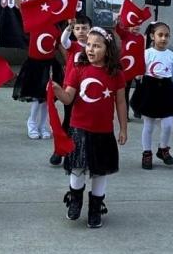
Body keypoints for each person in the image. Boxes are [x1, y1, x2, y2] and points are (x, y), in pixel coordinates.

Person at [53, 27, 127, 229]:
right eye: (88, 45)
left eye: (97, 45)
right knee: (77, 167)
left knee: (100, 171)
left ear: (108, 49)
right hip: (79, 129)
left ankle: (95, 207)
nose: (91, 49)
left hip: (103, 131)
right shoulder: (78, 69)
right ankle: (75, 200)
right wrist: (58, 90)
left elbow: (120, 102)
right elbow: (68, 98)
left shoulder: (115, 73)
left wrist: (123, 128)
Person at [10, 0, 60, 140]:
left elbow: (61, 47)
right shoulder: (34, 23)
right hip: (34, 65)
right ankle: (32, 123)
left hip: (49, 65)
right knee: (38, 98)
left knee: (47, 98)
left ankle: (43, 125)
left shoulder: (56, 27)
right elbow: (21, 7)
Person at [136, 22, 173, 170]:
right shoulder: (146, 53)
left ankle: (163, 149)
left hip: (166, 91)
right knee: (149, 124)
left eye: (167, 35)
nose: (163, 38)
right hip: (150, 89)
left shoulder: (171, 56)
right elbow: (139, 71)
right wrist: (137, 76)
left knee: (168, 124)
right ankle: (147, 153)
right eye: (160, 35)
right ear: (152, 36)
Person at [54, 14, 93, 166]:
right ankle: (60, 151)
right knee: (68, 120)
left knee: (84, 123)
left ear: (91, 30)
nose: (81, 31)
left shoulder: (94, 47)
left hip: (88, 91)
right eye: (78, 28)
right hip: (70, 90)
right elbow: (63, 41)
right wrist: (69, 27)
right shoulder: (74, 46)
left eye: (85, 28)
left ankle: (81, 152)